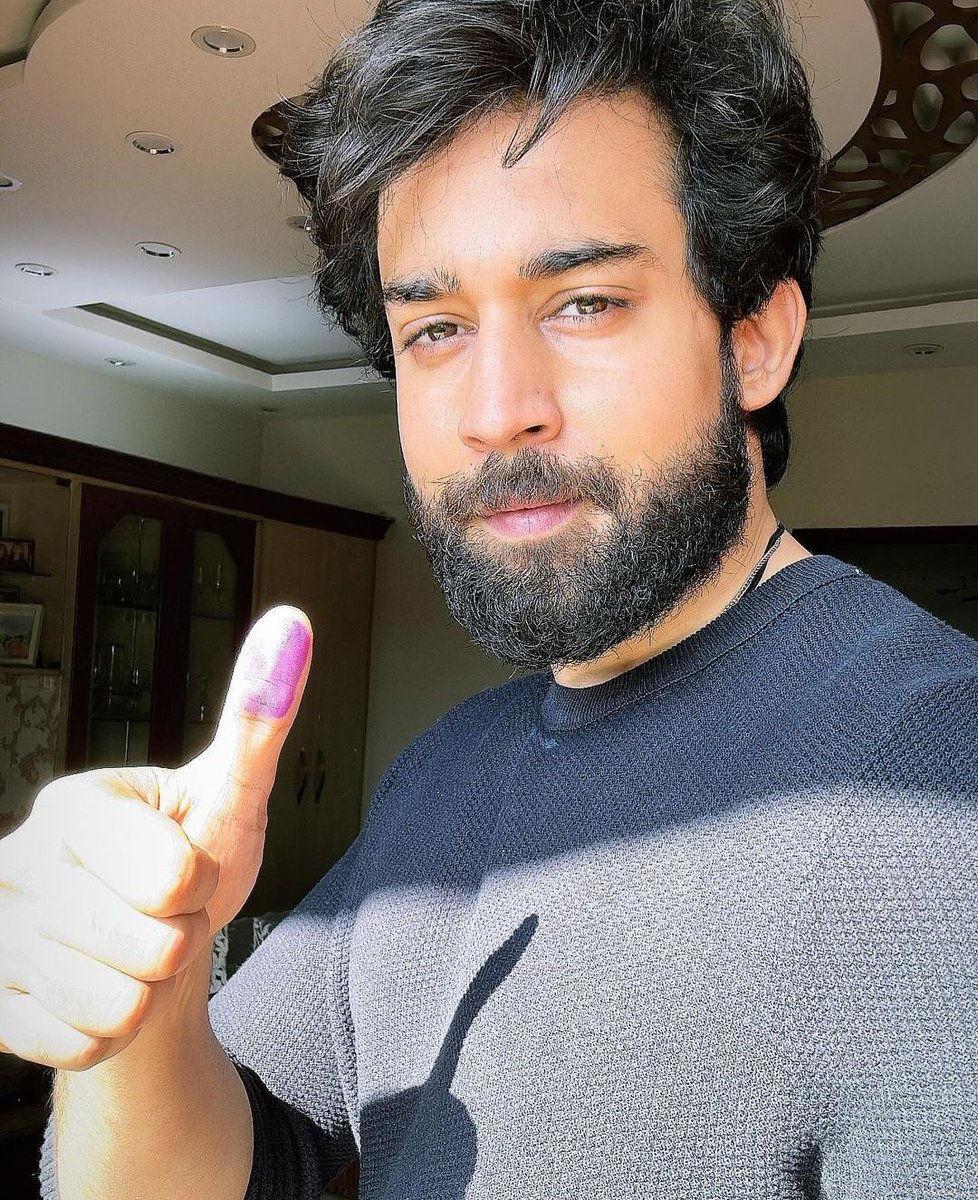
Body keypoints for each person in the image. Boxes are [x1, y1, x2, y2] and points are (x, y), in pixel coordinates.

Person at [0, 0, 975, 1196]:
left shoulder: (936, 789)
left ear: (756, 340)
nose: (494, 407)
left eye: (584, 302)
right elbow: (245, 1172)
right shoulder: (448, 770)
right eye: (437, 328)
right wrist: (134, 1016)